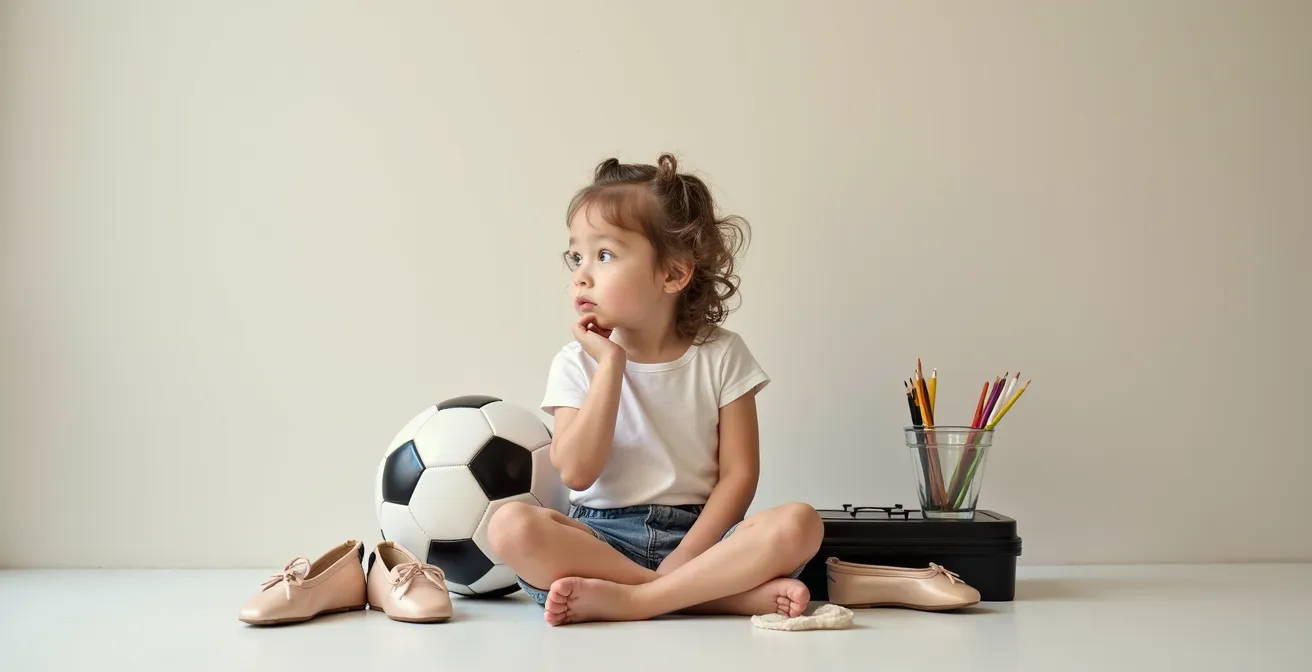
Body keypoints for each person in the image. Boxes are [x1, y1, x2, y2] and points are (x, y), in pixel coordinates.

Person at [487, 153, 823, 626]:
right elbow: (577, 473)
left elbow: (739, 477)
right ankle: (711, 598)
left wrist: (688, 555)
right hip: (601, 543)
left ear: (673, 273)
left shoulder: (722, 354)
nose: (582, 274)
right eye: (576, 256)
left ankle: (636, 600)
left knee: (800, 522)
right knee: (511, 526)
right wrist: (611, 364)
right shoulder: (576, 363)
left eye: (604, 255)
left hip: (704, 538)